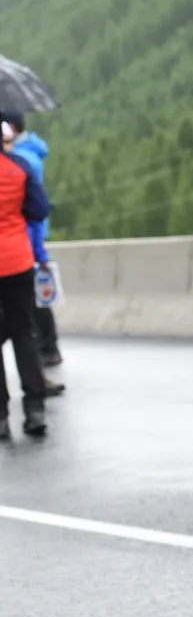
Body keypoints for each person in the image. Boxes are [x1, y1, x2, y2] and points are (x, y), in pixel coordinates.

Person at [0, 119, 52, 439]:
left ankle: (1, 417)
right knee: (24, 332)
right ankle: (34, 409)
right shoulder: (19, 166)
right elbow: (40, 209)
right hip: (17, 260)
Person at [1, 110, 61, 368]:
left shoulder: (19, 162)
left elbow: (33, 208)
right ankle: (47, 352)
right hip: (24, 241)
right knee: (28, 309)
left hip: (20, 241)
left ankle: (46, 350)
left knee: (23, 314)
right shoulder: (30, 155)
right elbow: (39, 207)